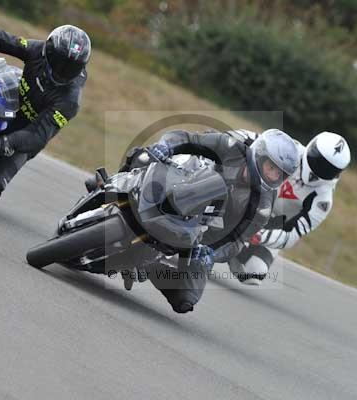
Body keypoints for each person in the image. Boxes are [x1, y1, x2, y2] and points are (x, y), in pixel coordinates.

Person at [118, 128, 300, 313]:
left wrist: (211, 253)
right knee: (142, 156)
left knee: (185, 299)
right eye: (271, 168)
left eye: (279, 174)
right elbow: (189, 137)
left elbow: (237, 241)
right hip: (180, 183)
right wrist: (166, 146)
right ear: (259, 155)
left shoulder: (262, 208)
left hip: (197, 232)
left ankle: (149, 266)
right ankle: (112, 187)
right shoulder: (231, 148)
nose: (273, 176)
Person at [0, 25, 91, 200]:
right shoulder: (38, 50)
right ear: (49, 52)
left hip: (23, 134)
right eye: (59, 61)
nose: (61, 71)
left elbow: (39, 135)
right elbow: (2, 38)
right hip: (7, 104)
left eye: (70, 67)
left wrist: (6, 143)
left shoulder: (69, 100)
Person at [228, 131, 351, 285]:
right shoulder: (292, 150)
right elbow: (257, 139)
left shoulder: (323, 200)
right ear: (311, 146)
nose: (320, 168)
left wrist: (259, 236)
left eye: (328, 169)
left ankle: (235, 251)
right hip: (252, 199)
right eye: (317, 159)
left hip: (273, 227)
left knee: (253, 273)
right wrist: (230, 136)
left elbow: (292, 235)